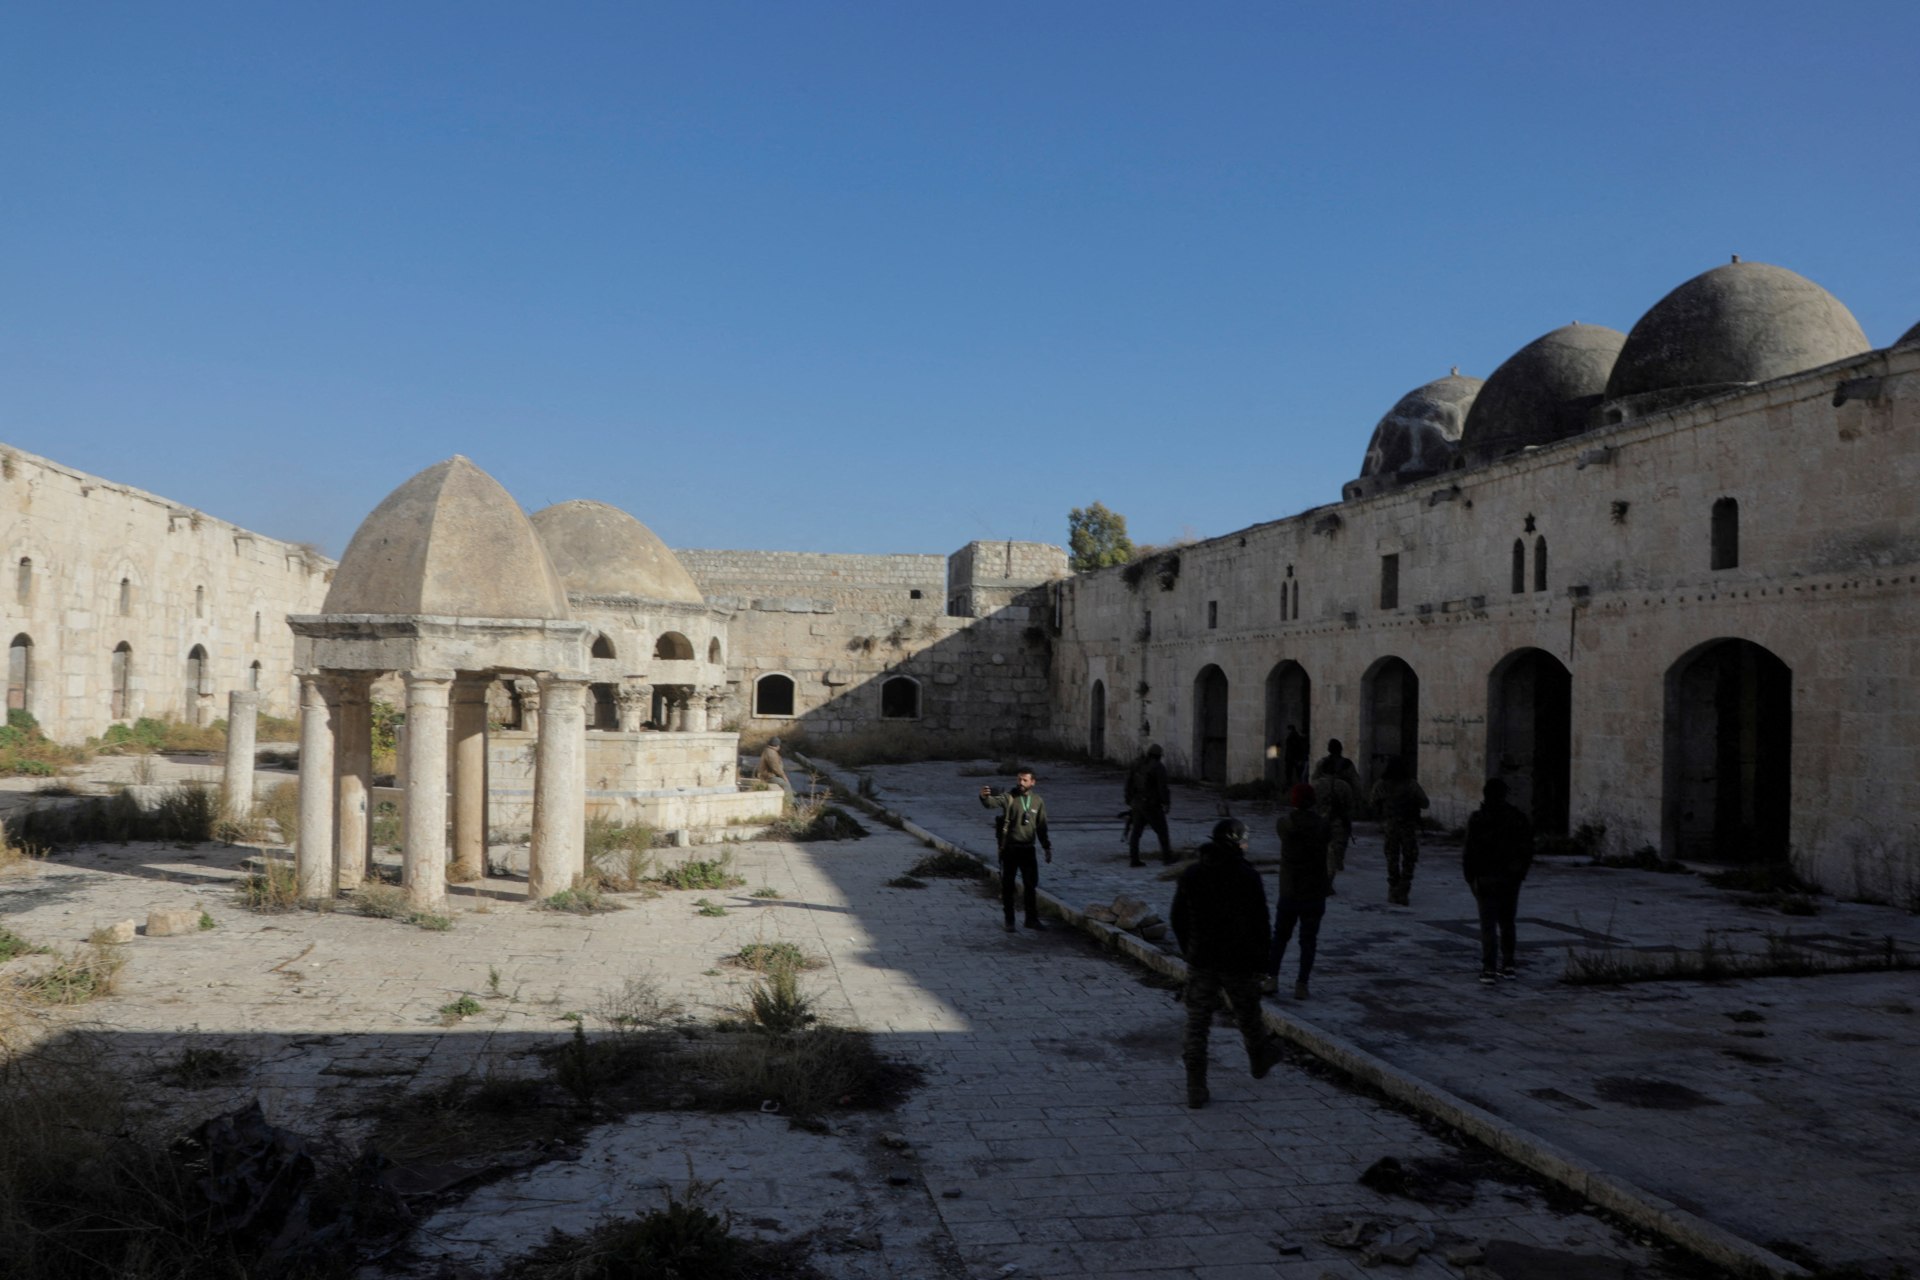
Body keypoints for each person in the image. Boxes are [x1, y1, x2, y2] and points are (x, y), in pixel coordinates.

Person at [1170, 818, 1284, 1108]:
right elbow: (1261, 923)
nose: (1246, 845)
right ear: (1234, 842)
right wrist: (1262, 961)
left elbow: (1178, 918)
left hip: (1202, 960)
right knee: (1248, 1015)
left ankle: (1195, 1085)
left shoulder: (1193, 873)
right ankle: (1259, 1059)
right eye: (1243, 840)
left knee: (1197, 1023)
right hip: (1238, 961)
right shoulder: (1247, 875)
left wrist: (1190, 950)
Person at [1463, 778, 1534, 983]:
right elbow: (1527, 848)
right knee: (1507, 922)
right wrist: (1521, 872)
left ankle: (1489, 969)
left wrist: (1471, 877)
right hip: (1510, 877)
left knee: (1488, 925)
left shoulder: (1478, 819)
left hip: (1486, 877)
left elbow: (1469, 851)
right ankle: (1508, 965)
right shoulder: (1517, 818)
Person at [1268, 783, 1332, 999]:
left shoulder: (1284, 824)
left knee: (1280, 937)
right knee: (1308, 940)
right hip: (1314, 892)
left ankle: (1272, 978)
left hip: (1290, 891)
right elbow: (1328, 834)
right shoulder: (1322, 825)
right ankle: (1301, 985)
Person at [979, 768, 1053, 932]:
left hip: (1028, 850)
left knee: (1030, 886)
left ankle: (1031, 920)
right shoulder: (1009, 797)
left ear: (1033, 782)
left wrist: (1046, 847)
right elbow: (991, 803)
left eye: (1025, 780)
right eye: (1019, 779)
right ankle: (1009, 920)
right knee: (1008, 886)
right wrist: (984, 797)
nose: (1021, 783)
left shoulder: (1037, 801)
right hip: (1010, 849)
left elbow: (1041, 827)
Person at [1369, 756, 1430, 905]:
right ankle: (1403, 888)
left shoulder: (1382, 785)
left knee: (1392, 857)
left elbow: (1372, 803)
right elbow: (1425, 803)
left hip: (1390, 826)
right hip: (1408, 825)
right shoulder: (1411, 784)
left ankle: (1393, 888)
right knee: (1409, 858)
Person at [1311, 746, 1358, 893]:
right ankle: (1328, 881)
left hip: (1318, 822)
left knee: (1319, 852)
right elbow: (1350, 805)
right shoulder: (1343, 785)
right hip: (1338, 822)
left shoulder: (1315, 785)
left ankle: (1319, 880)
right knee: (1334, 852)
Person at [1123, 744, 1172, 867]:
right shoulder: (1158, 767)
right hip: (1151, 804)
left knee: (1136, 832)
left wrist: (1128, 800)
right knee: (1162, 831)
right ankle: (1167, 858)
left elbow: (1128, 783)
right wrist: (1166, 803)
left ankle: (1134, 859)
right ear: (1158, 756)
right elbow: (1162, 787)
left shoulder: (1136, 764)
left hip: (1137, 802)